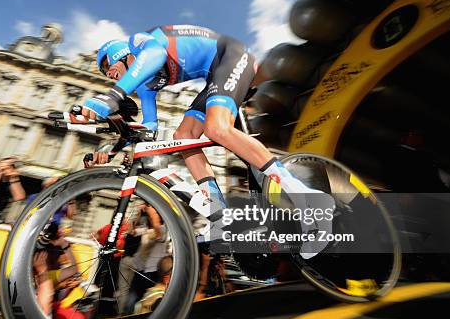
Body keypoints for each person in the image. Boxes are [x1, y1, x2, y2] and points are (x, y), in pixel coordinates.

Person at [82, 25, 334, 258]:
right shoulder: (146, 86)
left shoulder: (141, 43)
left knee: (216, 128)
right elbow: (149, 131)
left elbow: (155, 55)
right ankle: (221, 218)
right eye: (106, 74)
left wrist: (112, 97)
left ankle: (308, 198)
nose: (109, 74)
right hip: (214, 75)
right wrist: (111, 148)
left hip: (230, 55)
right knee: (183, 137)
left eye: (109, 66)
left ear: (123, 54)